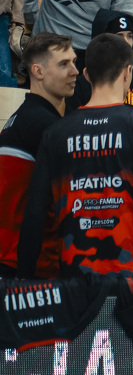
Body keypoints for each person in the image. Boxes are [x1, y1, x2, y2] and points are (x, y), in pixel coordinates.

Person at [18, 33, 133, 278]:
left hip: (76, 274)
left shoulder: (55, 132)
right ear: (128, 72)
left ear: (86, 75)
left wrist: (23, 277)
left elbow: (35, 211)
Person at [0, 33, 75, 267]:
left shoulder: (20, 118)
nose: (74, 71)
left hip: (13, 255)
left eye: (74, 62)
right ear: (38, 71)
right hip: (33, 262)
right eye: (64, 64)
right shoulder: (45, 126)